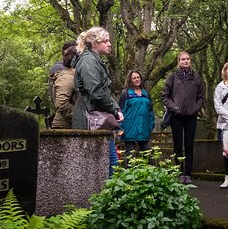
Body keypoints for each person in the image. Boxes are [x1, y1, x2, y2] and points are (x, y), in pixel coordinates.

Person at [71, 27, 124, 177]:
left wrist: (116, 107)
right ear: (95, 43)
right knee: (97, 164)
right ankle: (103, 198)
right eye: (106, 41)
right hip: (89, 117)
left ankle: (110, 196)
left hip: (97, 116)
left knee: (111, 160)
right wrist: (114, 109)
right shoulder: (88, 61)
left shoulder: (94, 60)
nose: (109, 44)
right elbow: (95, 91)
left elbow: (103, 91)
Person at [161, 51, 205, 186]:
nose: (185, 61)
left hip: (191, 117)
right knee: (178, 145)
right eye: (182, 59)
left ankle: (188, 174)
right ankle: (179, 173)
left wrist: (195, 109)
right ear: (178, 62)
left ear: (190, 61)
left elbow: (201, 96)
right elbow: (164, 96)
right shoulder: (172, 78)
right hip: (176, 117)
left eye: (187, 59)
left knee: (189, 145)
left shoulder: (197, 78)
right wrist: (174, 107)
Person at [118, 70, 155, 165]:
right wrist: (120, 128)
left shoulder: (146, 94)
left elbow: (151, 111)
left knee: (149, 157)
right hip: (129, 130)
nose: (136, 79)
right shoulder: (125, 94)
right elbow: (120, 112)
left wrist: (151, 125)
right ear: (130, 80)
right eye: (134, 78)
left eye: (138, 77)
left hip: (144, 130)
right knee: (130, 158)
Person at [51, 45, 78, 129]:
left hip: (71, 126)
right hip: (64, 127)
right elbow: (62, 103)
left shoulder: (74, 75)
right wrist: (78, 116)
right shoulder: (67, 77)